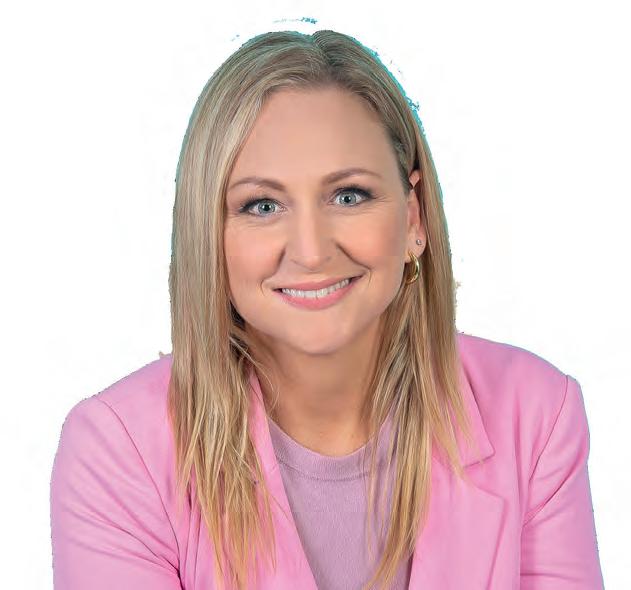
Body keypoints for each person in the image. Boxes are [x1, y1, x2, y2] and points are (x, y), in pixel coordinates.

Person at [49, 29, 604, 590]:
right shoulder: (118, 453)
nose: (311, 251)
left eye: (348, 196)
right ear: (208, 235)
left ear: (413, 218)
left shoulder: (535, 413)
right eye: (262, 205)